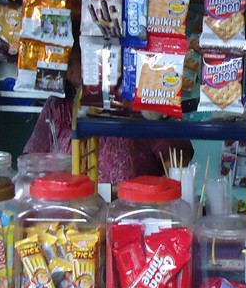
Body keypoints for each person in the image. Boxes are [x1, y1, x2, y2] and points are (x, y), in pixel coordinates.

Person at [23, 43, 193, 185]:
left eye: (82, 55)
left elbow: (178, 165)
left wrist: (138, 195)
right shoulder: (57, 108)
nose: (73, 66)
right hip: (69, 214)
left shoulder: (141, 105)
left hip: (132, 212)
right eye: (68, 60)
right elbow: (29, 167)